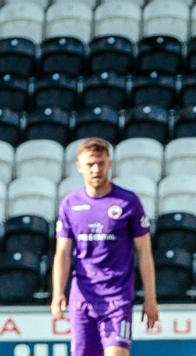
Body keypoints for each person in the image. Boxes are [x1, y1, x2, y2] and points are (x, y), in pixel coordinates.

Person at [51, 138, 159, 356]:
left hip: (117, 297)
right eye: (90, 164)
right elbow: (62, 252)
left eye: (101, 163)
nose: (96, 169)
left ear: (109, 164)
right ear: (79, 167)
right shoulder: (70, 204)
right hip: (83, 298)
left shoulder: (128, 202)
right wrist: (57, 293)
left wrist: (150, 298)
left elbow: (144, 252)